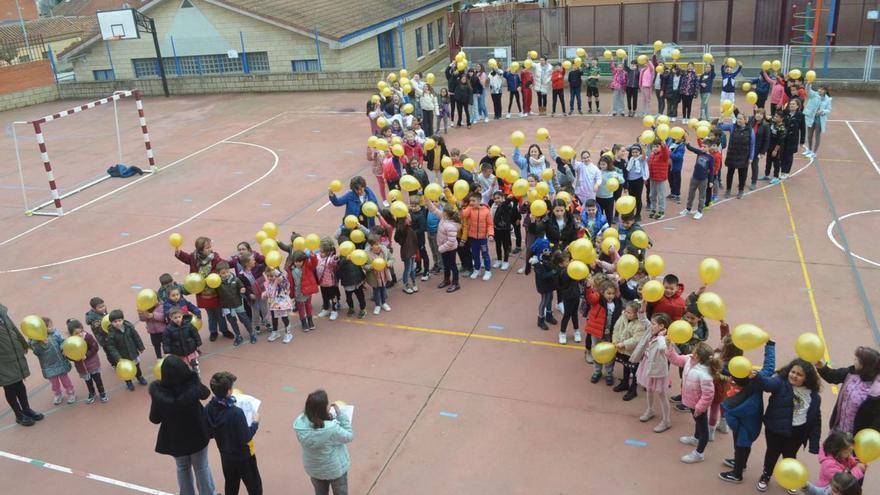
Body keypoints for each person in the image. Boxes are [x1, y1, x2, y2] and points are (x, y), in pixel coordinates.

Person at [149, 355, 216, 495]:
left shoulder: (159, 393)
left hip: (175, 438)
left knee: (182, 467)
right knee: (202, 467)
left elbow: (154, 418)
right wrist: (195, 377)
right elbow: (205, 393)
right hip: (197, 434)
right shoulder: (192, 385)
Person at [754, 358, 822, 493]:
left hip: (797, 432)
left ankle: (789, 478)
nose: (794, 376)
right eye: (793, 372)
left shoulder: (814, 396)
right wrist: (757, 377)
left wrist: (814, 442)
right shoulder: (780, 382)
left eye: (799, 374)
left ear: (807, 378)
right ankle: (766, 475)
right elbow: (767, 384)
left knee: (790, 455)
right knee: (772, 453)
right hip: (775, 428)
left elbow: (816, 419)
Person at [717, 340, 776, 483]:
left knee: (741, 445)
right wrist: (770, 346)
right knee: (744, 444)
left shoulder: (733, 397)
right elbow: (769, 367)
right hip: (752, 423)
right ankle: (741, 463)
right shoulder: (756, 383)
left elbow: (718, 366)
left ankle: (737, 474)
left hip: (742, 425)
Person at [205, 372, 262, 495]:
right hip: (244, 456)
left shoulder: (209, 408)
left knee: (231, 484)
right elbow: (246, 437)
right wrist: (255, 423)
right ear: (229, 391)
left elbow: (209, 432)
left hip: (225, 455)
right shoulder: (236, 413)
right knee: (254, 486)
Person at [294, 390, 354, 495]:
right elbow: (348, 436)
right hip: (334, 470)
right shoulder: (331, 429)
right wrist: (341, 416)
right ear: (322, 409)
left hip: (314, 470)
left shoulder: (300, 424)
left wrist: (328, 418)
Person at [667, 341, 718, 464]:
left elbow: (708, 395)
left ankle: (699, 453)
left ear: (699, 356)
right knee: (697, 422)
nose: (692, 351)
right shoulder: (689, 359)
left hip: (698, 405)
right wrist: (670, 349)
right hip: (690, 401)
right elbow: (677, 360)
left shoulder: (705, 374)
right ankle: (696, 438)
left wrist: (700, 408)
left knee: (703, 427)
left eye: (695, 350)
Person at [175, 237, 231, 342]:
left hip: (215, 292)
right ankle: (213, 331)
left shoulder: (215, 258)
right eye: (207, 247)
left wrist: (235, 261)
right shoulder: (194, 257)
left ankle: (224, 330)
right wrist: (179, 253)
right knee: (210, 314)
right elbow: (187, 258)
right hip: (203, 293)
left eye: (210, 247)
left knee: (220, 313)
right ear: (200, 250)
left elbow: (224, 264)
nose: (210, 249)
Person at [816, 346, 880, 434]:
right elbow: (833, 376)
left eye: (857, 359)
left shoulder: (876, 392)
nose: (854, 360)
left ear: (865, 365)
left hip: (856, 438)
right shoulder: (851, 373)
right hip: (839, 430)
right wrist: (821, 366)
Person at [630, 301, 671, 433]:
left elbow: (663, 348)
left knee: (662, 394)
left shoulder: (665, 338)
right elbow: (642, 318)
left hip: (658, 370)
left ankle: (666, 421)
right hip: (647, 365)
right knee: (649, 389)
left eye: (653, 324)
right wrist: (643, 305)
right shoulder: (651, 330)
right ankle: (650, 410)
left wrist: (660, 336)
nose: (651, 325)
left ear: (661, 326)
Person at [29, 317, 75, 405]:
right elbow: (36, 352)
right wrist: (41, 343)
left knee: (65, 380)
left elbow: (62, 342)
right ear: (42, 329)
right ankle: (57, 394)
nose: (52, 328)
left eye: (52, 325)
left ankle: (70, 392)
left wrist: (63, 349)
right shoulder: (36, 341)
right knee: (54, 383)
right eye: (50, 326)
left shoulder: (55, 334)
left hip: (60, 362)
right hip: (49, 366)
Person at [585, 277, 622, 385]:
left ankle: (609, 373)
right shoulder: (598, 300)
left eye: (612, 293)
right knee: (596, 352)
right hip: (597, 333)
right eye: (608, 293)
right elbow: (590, 298)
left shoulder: (617, 303)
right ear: (602, 292)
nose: (610, 296)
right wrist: (588, 287)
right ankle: (597, 371)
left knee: (610, 353)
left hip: (610, 334)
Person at [611, 301, 647, 401]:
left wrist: (623, 344)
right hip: (622, 350)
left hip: (633, 352)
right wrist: (615, 340)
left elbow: (636, 339)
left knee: (634, 370)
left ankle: (633, 390)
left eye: (629, 312)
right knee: (625, 365)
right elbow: (616, 328)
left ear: (636, 314)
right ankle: (625, 383)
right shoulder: (623, 316)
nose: (626, 313)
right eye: (625, 311)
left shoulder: (641, 324)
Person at [66, 318, 107, 403]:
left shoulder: (87, 337)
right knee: (88, 381)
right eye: (76, 333)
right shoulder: (70, 343)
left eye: (81, 331)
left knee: (97, 378)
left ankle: (102, 392)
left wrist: (87, 355)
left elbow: (95, 347)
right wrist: (74, 358)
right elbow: (69, 354)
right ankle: (91, 393)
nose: (80, 334)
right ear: (71, 334)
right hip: (82, 366)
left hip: (92, 363)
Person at [105, 309, 147, 391]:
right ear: (111, 323)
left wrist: (140, 347)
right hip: (122, 356)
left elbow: (136, 337)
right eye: (114, 322)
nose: (117, 323)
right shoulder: (111, 334)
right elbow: (111, 347)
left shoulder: (129, 327)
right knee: (125, 370)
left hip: (133, 352)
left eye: (119, 320)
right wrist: (118, 357)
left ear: (123, 320)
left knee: (137, 366)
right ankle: (128, 382)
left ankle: (139, 377)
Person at [718, 111, 756, 200]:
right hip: (732, 154)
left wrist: (751, 157)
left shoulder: (750, 130)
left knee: (742, 174)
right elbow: (720, 127)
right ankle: (728, 190)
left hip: (744, 156)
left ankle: (741, 190)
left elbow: (752, 144)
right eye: (737, 118)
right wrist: (721, 118)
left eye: (740, 119)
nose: (738, 120)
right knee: (730, 173)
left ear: (745, 120)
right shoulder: (732, 126)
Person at [217, 261, 254, 346]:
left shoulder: (236, 279)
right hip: (227, 307)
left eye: (227, 272)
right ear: (218, 273)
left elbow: (241, 286)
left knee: (245, 320)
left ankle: (251, 333)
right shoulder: (217, 283)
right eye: (223, 273)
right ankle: (238, 336)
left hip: (238, 304)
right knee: (232, 322)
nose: (226, 274)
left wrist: (242, 289)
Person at [681, 137, 715, 220]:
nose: (703, 148)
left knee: (701, 196)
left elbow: (711, 170)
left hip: (703, 180)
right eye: (702, 146)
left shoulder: (710, 158)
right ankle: (688, 209)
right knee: (691, 194)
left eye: (705, 147)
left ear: (709, 147)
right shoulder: (699, 152)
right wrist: (687, 143)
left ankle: (699, 211)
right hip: (694, 177)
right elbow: (691, 148)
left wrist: (711, 181)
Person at [263, 267, 294, 343]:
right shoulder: (268, 283)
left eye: (272, 276)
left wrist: (275, 271)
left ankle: (288, 333)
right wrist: (265, 294)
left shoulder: (280, 282)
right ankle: (275, 332)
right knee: (274, 318)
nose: (270, 278)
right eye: (268, 276)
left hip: (281, 304)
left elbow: (282, 278)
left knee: (284, 318)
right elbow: (269, 291)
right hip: (273, 304)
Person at [803, 83, 832, 159]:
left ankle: (814, 152)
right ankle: (809, 150)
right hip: (811, 118)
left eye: (822, 89)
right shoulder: (814, 95)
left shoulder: (828, 99)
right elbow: (808, 90)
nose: (820, 90)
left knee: (817, 136)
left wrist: (822, 112)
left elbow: (829, 110)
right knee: (809, 135)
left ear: (825, 91)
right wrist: (809, 83)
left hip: (819, 120)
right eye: (819, 88)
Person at [781, 98, 806, 180]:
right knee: (782, 154)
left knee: (788, 155)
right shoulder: (785, 113)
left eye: (793, 104)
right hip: (784, 138)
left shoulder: (801, 116)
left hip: (793, 139)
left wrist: (802, 141)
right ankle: (782, 170)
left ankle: (786, 172)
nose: (791, 105)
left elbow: (803, 129)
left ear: (798, 106)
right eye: (790, 104)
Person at [647, 138, 670, 219]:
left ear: (661, 147)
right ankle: (653, 209)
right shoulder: (652, 155)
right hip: (652, 178)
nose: (655, 148)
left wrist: (664, 146)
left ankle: (661, 211)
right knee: (652, 195)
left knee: (661, 196)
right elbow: (650, 166)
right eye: (654, 146)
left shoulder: (663, 155)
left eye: (657, 146)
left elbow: (666, 153)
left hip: (660, 179)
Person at [748, 108, 770, 190]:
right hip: (747, 147)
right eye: (757, 113)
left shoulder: (766, 125)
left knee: (754, 165)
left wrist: (763, 152)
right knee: (743, 165)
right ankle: (742, 181)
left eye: (761, 114)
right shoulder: (750, 121)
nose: (758, 115)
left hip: (756, 149)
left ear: (763, 116)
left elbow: (766, 140)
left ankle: (753, 182)